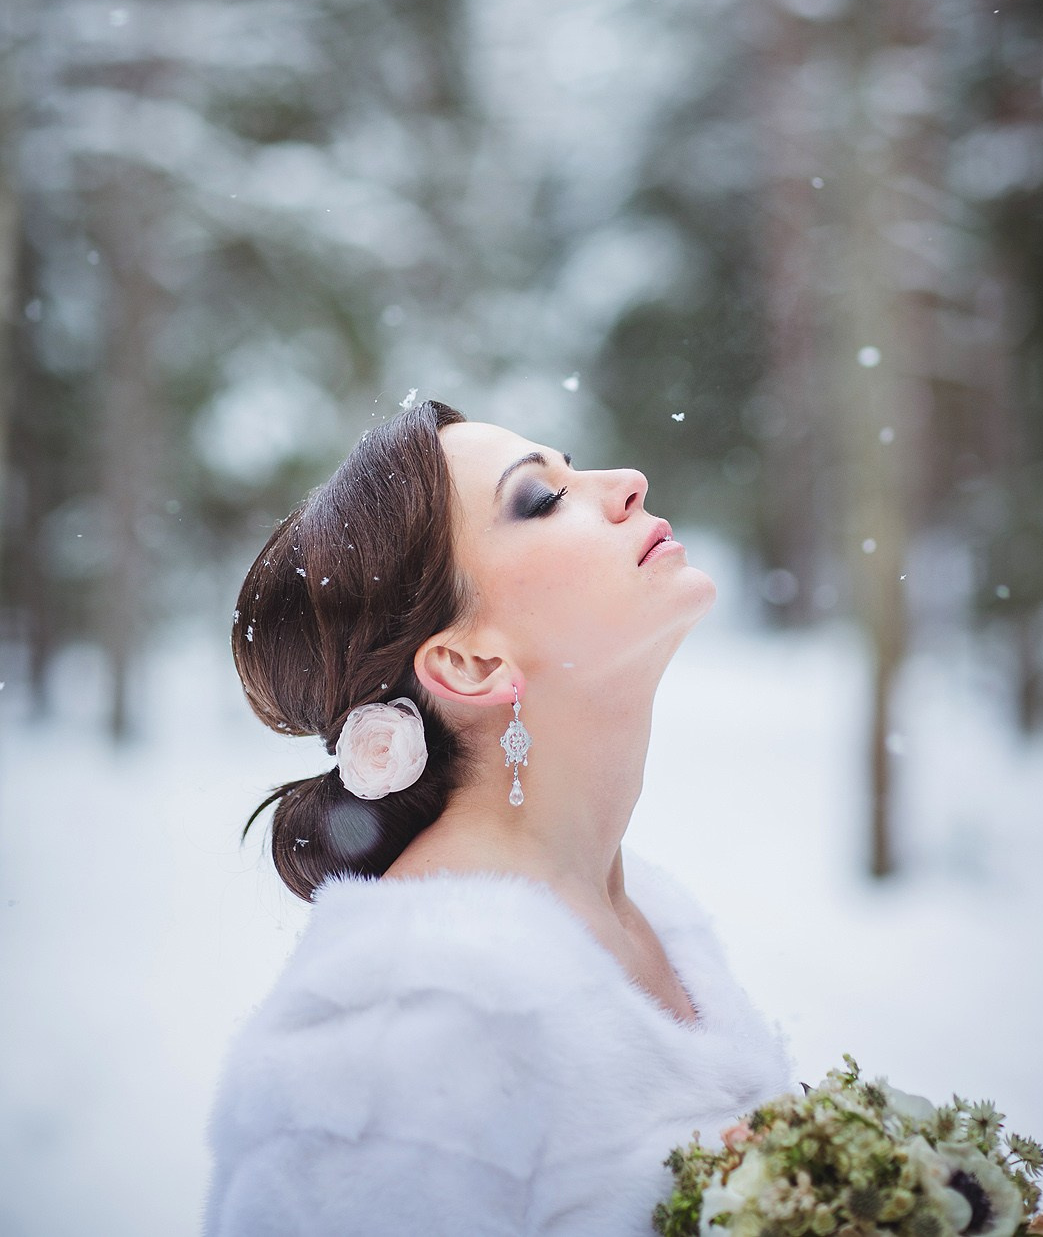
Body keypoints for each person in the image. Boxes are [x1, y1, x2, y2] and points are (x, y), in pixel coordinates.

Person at [203, 399, 793, 1236]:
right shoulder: (409, 1009)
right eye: (541, 498)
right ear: (470, 662)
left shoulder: (654, 918)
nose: (627, 483)